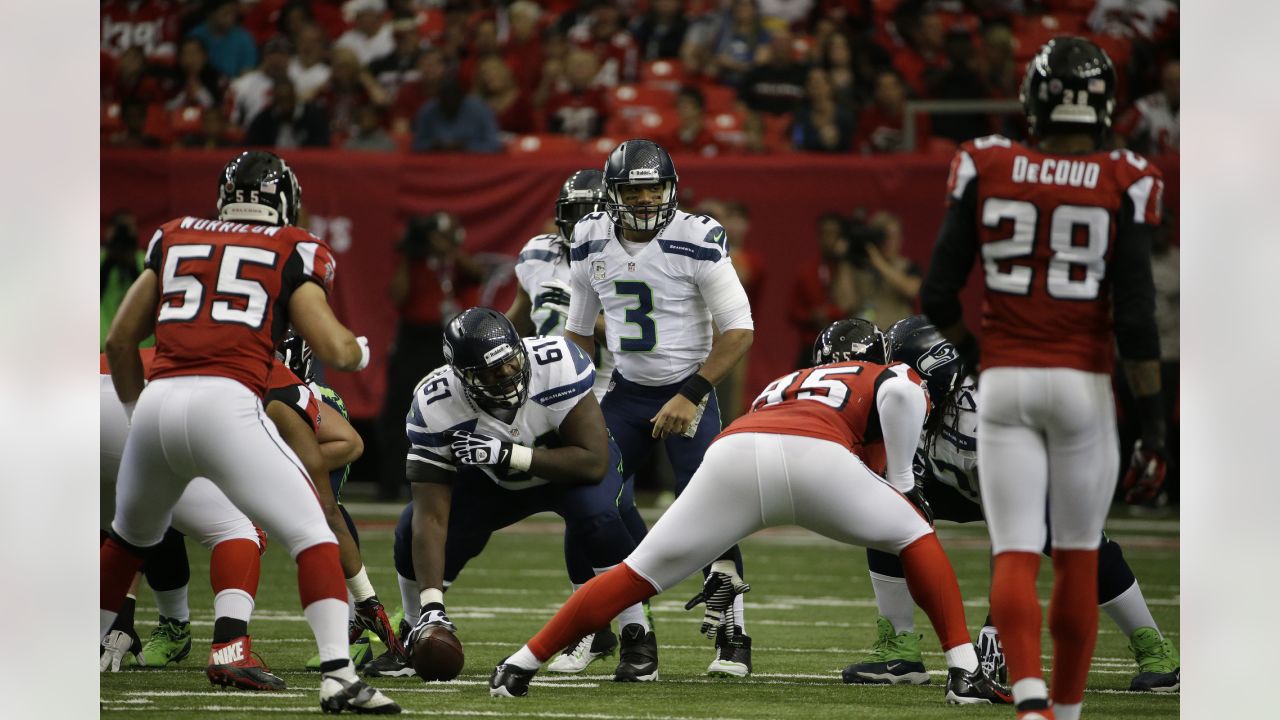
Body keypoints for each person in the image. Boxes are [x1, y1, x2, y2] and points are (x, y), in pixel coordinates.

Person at [487, 319, 1009, 706]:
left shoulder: (783, 381)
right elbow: (899, 390)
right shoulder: (888, 372)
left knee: (638, 573)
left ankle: (520, 663)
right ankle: (964, 672)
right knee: (914, 533)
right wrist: (901, 483)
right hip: (816, 458)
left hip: (736, 453)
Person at [918, 38, 1168, 720]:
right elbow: (1138, 320)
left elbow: (938, 293)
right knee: (1079, 557)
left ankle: (1028, 703)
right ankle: (1067, 709)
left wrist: (977, 354)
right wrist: (1154, 423)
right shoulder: (1128, 175)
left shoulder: (987, 160)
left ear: (1033, 97)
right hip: (1083, 386)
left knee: (1017, 550)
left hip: (1005, 381)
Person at [100, 150, 399, 714]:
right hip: (227, 402)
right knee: (312, 533)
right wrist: (356, 354)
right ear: (284, 201)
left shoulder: (175, 235)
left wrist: (139, 415)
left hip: (157, 400)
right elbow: (332, 345)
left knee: (125, 542)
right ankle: (339, 674)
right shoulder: (292, 247)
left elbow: (120, 341)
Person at [842, 317, 1180, 693]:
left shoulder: (980, 418)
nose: (887, 383)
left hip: (1037, 473)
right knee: (885, 508)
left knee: (1083, 549)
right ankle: (900, 651)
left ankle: (1156, 651)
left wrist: (996, 623)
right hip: (959, 473)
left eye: (896, 372)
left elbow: (1013, 529)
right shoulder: (920, 405)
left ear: (932, 374)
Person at [562, 139, 756, 676]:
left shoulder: (695, 237)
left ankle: (732, 633)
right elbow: (577, 332)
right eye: (634, 189)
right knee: (592, 504)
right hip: (625, 393)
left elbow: (739, 331)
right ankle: (633, 635)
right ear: (612, 195)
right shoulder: (589, 238)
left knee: (714, 511)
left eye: (655, 187)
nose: (647, 199)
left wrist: (690, 393)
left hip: (688, 389)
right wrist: (570, 402)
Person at [373, 308, 648, 682]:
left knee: (598, 515)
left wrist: (508, 453)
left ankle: (637, 634)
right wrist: (431, 605)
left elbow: (593, 462)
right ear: (462, 376)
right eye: (490, 372)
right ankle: (415, 628)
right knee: (408, 527)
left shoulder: (557, 363)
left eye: (509, 362)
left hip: (570, 471)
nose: (506, 376)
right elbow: (431, 514)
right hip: (497, 485)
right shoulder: (435, 403)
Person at [99, 347, 314, 690]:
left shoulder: (187, 330)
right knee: (238, 529)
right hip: (140, 402)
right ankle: (231, 653)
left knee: (115, 530)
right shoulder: (263, 364)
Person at [501, 169, 619, 672]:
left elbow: (636, 332)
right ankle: (601, 627)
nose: (586, 224)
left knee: (599, 508)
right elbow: (520, 314)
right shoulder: (536, 254)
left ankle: (615, 626)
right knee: (581, 510)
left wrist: (585, 323)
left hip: (606, 390)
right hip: (547, 393)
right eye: (577, 215)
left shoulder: (625, 256)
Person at [376, 212, 483, 501]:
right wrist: (408, 255)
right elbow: (397, 296)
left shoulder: (457, 262)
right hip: (414, 339)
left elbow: (477, 273)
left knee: (451, 407)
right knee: (400, 408)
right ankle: (391, 483)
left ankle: (453, 477)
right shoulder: (414, 261)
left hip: (448, 338)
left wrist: (449, 251)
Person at [101, 211, 153, 351]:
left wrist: (131, 267)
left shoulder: (146, 260)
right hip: (101, 344)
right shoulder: (98, 260)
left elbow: (147, 301)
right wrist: (108, 263)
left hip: (140, 347)